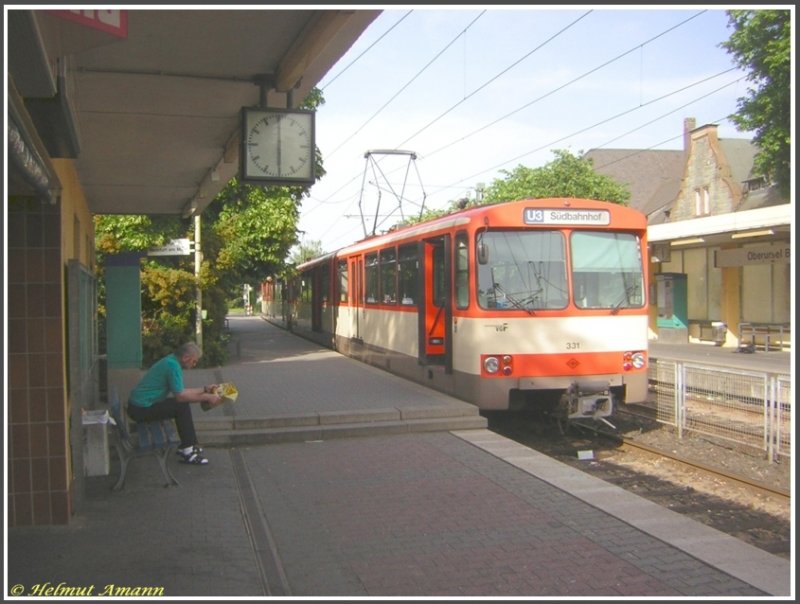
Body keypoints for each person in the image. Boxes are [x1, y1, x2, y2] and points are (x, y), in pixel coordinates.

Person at [127, 342, 222, 465]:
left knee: (181, 405)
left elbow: (181, 392)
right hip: (140, 409)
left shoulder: (170, 361)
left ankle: (188, 446)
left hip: (139, 406)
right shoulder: (172, 366)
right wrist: (207, 397)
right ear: (185, 358)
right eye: (194, 361)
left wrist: (205, 389)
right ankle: (188, 450)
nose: (194, 364)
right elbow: (181, 396)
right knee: (181, 407)